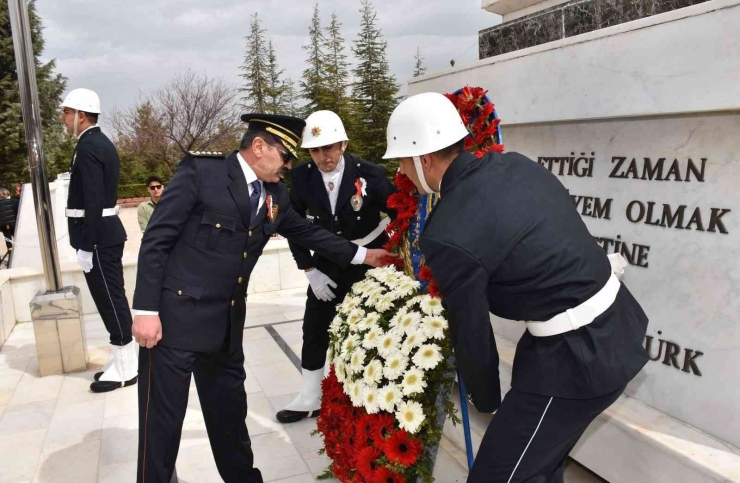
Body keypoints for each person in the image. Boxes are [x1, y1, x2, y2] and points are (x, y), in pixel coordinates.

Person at [383, 92, 649, 483]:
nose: (402, 172)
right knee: (540, 464)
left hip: (576, 359)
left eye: (404, 160)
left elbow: (471, 331)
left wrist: (487, 400)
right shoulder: (514, 165)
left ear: (424, 159)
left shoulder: (447, 231)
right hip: (614, 326)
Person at [131, 113, 393, 483]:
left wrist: (363, 255)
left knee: (230, 417)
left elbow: (307, 233)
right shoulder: (202, 173)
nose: (289, 165)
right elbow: (156, 240)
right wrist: (145, 310)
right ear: (258, 147)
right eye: (285, 156)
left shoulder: (275, 194)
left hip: (225, 327)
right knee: (162, 424)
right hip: (175, 322)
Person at [276, 110, 397, 424]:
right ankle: (309, 397)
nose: (322, 156)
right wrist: (309, 271)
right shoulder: (301, 177)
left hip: (369, 262)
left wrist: (393, 246)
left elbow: (399, 211)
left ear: (343, 144)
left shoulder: (369, 172)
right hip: (327, 263)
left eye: (329, 147)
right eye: (315, 149)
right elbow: (292, 224)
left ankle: (372, 394)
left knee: (371, 330)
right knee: (314, 328)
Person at [60, 88, 136, 393]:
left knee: (110, 299)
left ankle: (127, 366)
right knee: (110, 298)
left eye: (66, 113)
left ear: (80, 115)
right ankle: (122, 358)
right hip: (102, 235)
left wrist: (87, 245)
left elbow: (92, 199)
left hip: (99, 238)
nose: (64, 119)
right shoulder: (93, 142)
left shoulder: (90, 146)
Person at [0, 188, 19, 253]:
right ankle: (10, 250)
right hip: (4, 224)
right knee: (7, 238)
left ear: (5, 194)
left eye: (1, 195)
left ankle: (17, 250)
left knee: (16, 236)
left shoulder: (16, 201)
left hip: (15, 223)